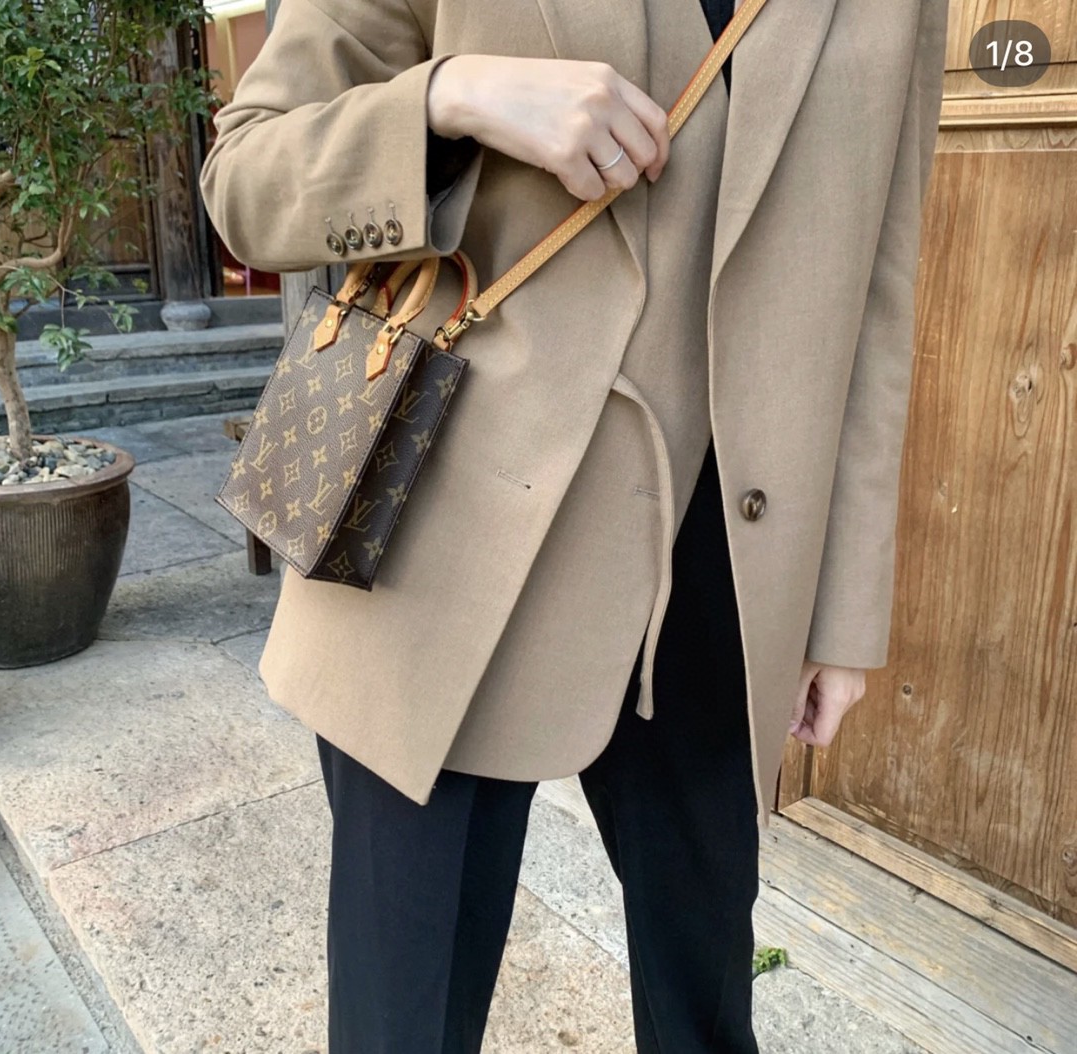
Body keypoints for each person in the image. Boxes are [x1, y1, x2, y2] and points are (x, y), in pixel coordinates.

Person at [199, 0, 947, 1049]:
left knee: (704, 1004)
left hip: (725, 559)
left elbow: (878, 287)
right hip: (447, 527)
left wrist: (842, 607)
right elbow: (246, 178)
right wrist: (455, 98)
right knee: (404, 1014)